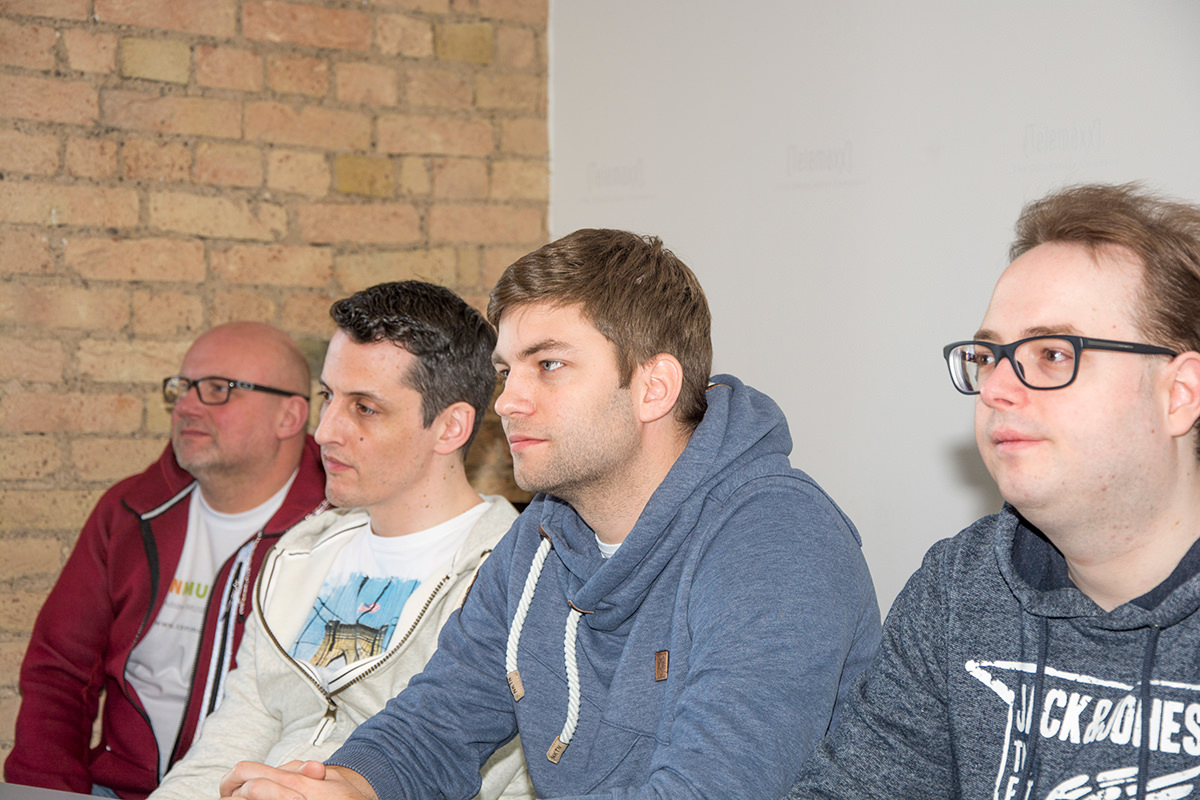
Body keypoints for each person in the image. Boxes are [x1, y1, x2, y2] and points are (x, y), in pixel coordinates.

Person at [220, 228, 881, 800]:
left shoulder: (779, 540)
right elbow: (438, 721)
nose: (508, 401)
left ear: (653, 387)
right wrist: (343, 785)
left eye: (549, 365)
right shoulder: (542, 533)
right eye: (507, 371)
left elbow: (712, 788)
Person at [784, 182, 1200, 800]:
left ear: (1179, 395)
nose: (996, 388)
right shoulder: (959, 587)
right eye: (988, 356)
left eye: (1052, 354)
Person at [150, 282, 531, 800]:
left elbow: (471, 772)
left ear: (450, 428)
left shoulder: (515, 576)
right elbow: (231, 739)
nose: (324, 431)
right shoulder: (299, 553)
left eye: (365, 408)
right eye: (328, 397)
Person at [5, 322, 327, 798]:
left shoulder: (337, 529)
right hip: (119, 789)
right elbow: (59, 670)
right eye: (183, 387)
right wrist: (51, 791)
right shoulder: (131, 511)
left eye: (218, 389)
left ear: (290, 416)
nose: (187, 406)